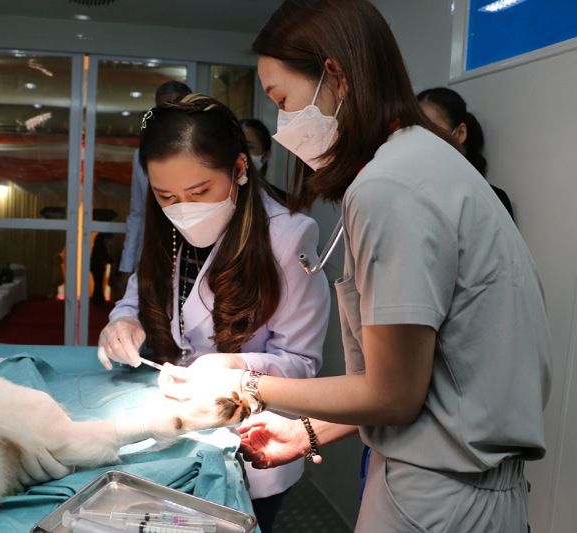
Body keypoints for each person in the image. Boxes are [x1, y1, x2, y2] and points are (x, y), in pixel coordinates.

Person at [159, 2, 551, 532]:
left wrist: (246, 382)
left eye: (283, 100)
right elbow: (421, 378)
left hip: (441, 500)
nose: (283, 125)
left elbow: (393, 394)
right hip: (462, 488)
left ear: (336, 76)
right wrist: (309, 430)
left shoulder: (388, 187)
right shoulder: (425, 162)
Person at [97, 94, 330, 532]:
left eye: (200, 192)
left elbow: (302, 364)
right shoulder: (165, 227)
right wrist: (122, 321)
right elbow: (138, 297)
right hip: (174, 437)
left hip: (251, 443)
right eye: (166, 196)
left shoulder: (288, 238)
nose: (183, 208)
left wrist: (234, 367)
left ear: (240, 168)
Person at [114, 80, 192, 298]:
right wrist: (126, 266)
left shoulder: (201, 150)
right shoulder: (142, 154)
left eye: (174, 105)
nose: (168, 113)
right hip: (151, 253)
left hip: (191, 252)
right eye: (162, 108)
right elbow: (137, 213)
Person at [418, 86, 515, 220]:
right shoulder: (410, 194)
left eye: (432, 129)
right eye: (415, 130)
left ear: (460, 133)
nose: (421, 139)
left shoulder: (491, 199)